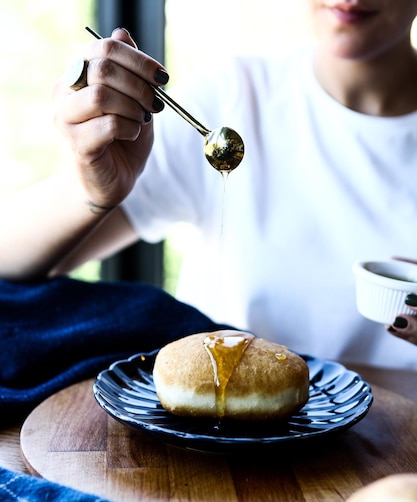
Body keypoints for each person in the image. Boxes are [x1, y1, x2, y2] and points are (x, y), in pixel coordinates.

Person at [2, 1, 417, 370]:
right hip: (216, 438)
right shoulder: (236, 97)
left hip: (397, 446)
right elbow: (10, 263)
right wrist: (90, 192)